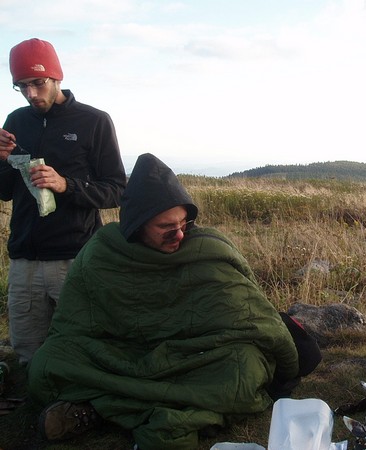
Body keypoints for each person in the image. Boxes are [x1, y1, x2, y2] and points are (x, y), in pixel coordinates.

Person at [27, 154, 314, 449]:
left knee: (245, 367)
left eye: (183, 222)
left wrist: (287, 365)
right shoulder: (102, 252)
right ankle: (157, 408)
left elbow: (250, 314)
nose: (178, 234)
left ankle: (99, 409)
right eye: (165, 227)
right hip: (123, 353)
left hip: (191, 356)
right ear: (137, 225)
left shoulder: (207, 249)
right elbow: (73, 325)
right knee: (47, 362)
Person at [0, 38, 127, 366]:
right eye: (21, 86)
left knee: (82, 348)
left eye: (38, 82)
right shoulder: (15, 122)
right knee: (28, 353)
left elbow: (116, 190)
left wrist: (65, 185)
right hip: (24, 260)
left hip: (75, 258)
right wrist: (1, 160)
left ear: (57, 76)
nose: (31, 94)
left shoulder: (93, 121)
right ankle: (33, 396)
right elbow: (4, 191)